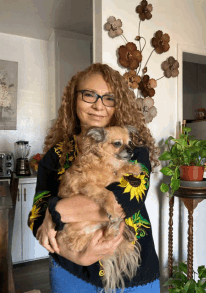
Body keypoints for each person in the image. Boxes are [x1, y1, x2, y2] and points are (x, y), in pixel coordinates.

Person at [27, 63, 160, 293]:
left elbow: (123, 202)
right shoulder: (55, 156)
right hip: (71, 273)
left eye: (109, 98)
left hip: (133, 276)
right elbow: (36, 219)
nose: (99, 105)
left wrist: (55, 210)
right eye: (89, 95)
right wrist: (76, 256)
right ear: (74, 98)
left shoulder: (134, 151)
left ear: (117, 104)